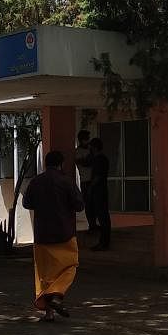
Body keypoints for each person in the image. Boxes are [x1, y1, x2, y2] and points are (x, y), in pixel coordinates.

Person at [22, 150, 84, 322]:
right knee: (70, 266)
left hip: (42, 235)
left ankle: (48, 313)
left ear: (45, 163)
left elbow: (27, 203)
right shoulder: (67, 181)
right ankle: (57, 296)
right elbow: (79, 205)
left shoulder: (36, 181)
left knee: (45, 276)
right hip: (65, 234)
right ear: (61, 164)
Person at [86, 137, 112, 251]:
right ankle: (104, 242)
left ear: (94, 147)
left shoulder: (99, 160)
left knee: (102, 217)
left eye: (91, 147)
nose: (89, 149)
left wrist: (90, 188)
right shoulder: (101, 159)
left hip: (98, 191)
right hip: (101, 190)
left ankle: (104, 243)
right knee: (103, 216)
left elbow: (97, 176)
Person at [73, 129, 98, 232]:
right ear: (82, 140)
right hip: (85, 181)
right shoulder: (78, 152)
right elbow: (85, 163)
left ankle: (95, 224)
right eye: (86, 139)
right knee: (88, 204)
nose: (88, 141)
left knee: (95, 203)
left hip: (93, 179)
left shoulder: (89, 150)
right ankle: (91, 224)